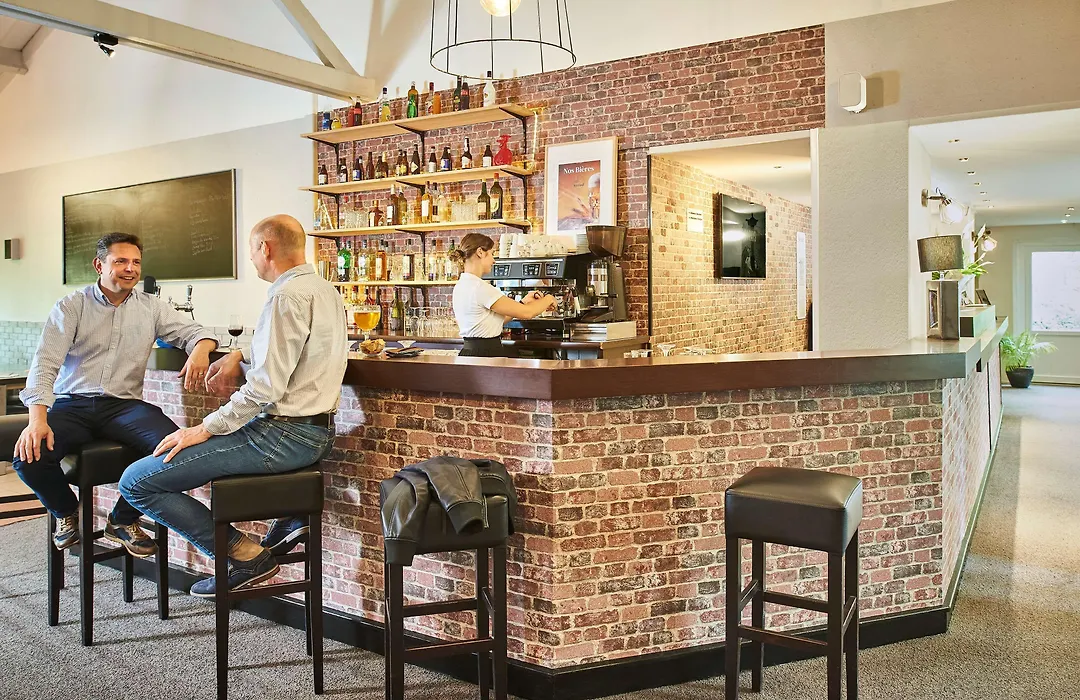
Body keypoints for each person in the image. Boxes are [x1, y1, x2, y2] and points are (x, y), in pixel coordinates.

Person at [119, 214, 347, 597]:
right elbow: (296, 351)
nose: (252, 259)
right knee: (144, 477)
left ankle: (245, 556)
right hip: (316, 432)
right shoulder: (325, 290)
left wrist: (204, 427)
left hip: (281, 436)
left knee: (136, 482)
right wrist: (240, 352)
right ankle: (281, 526)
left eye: (252, 251)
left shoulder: (286, 296)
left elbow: (264, 388)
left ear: (265, 248)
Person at [13, 232, 218, 556]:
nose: (130, 268)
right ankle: (66, 511)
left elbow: (197, 332)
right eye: (121, 261)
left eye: (136, 262)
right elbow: (45, 364)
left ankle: (122, 519)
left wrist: (201, 350)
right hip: (72, 404)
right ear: (99, 265)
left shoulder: (152, 307)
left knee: (177, 451)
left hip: (124, 406)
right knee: (30, 456)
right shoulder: (71, 306)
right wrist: (37, 420)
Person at [450, 233, 557, 358]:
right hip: (486, 355)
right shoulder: (480, 288)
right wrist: (549, 298)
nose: (493, 260)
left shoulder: (461, 285)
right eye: (491, 253)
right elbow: (527, 313)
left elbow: (494, 321)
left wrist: (523, 302)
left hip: (470, 354)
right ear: (480, 252)